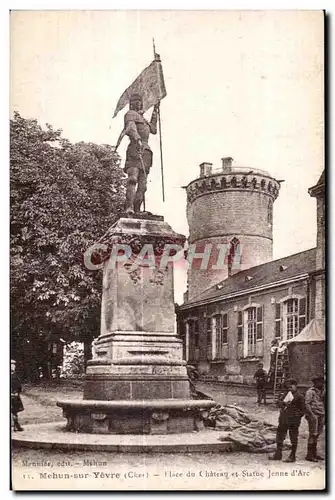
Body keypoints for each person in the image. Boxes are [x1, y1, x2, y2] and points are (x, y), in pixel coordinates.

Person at [122, 93, 159, 214]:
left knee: (143, 185)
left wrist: (155, 111)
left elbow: (153, 130)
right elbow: (131, 128)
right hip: (135, 148)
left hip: (146, 152)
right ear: (131, 104)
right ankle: (129, 207)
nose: (138, 103)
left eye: (140, 101)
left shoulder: (143, 119)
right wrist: (137, 139)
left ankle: (137, 209)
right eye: (136, 101)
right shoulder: (130, 115)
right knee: (133, 179)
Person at [269, 379, 305, 462]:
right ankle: (278, 454)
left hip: (293, 421)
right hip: (283, 419)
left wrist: (296, 415)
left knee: (293, 437)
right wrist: (283, 403)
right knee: (280, 436)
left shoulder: (300, 396)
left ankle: (292, 456)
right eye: (288, 386)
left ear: (296, 386)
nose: (290, 388)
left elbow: (303, 410)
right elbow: (278, 403)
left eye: (291, 386)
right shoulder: (286, 394)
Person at [305, 376, 325, 462]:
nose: (321, 383)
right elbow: (307, 404)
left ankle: (314, 453)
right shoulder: (310, 392)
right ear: (315, 383)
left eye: (322, 382)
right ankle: (309, 455)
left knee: (317, 434)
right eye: (319, 382)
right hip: (314, 415)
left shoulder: (322, 391)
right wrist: (311, 414)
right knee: (312, 434)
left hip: (321, 414)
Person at [11, 359, 24, 431]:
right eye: (12, 365)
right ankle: (16, 426)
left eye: (14, 365)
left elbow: (18, 386)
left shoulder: (14, 375)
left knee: (14, 411)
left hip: (15, 395)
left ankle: (16, 425)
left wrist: (17, 392)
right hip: (12, 395)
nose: (14, 366)